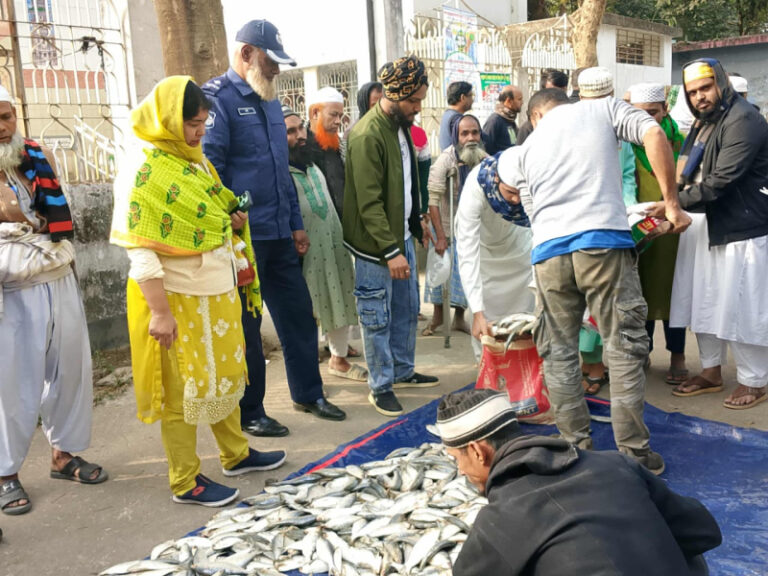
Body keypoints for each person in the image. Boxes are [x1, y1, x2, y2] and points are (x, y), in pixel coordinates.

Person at [498, 75, 692, 474]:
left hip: (549, 252)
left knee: (559, 352)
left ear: (537, 115)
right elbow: (653, 133)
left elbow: (527, 204)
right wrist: (672, 203)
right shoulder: (602, 107)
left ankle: (573, 453)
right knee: (622, 348)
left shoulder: (527, 146)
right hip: (602, 243)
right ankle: (634, 457)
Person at [110, 76, 287, 506]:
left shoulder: (194, 161)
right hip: (177, 301)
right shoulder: (144, 170)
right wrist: (160, 313)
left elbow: (214, 209)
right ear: (168, 120)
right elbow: (142, 250)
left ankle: (235, 454)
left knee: (226, 376)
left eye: (204, 122)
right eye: (192, 124)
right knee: (183, 391)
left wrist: (232, 218)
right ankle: (185, 480)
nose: (200, 132)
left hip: (218, 294)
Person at [202, 19, 346, 438]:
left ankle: (308, 393)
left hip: (280, 234)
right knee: (247, 328)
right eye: (271, 62)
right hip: (243, 240)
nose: (277, 71)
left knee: (299, 315)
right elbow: (210, 169)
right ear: (247, 54)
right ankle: (251, 412)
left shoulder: (268, 101)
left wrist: (296, 224)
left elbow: (280, 171)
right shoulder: (219, 100)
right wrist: (225, 215)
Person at [436, 389, 722, 576]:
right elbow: (703, 532)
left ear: (477, 451)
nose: (460, 471)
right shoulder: (615, 464)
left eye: (456, 459)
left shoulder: (501, 520)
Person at [0, 85, 107, 516]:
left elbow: (56, 223)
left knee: (71, 370)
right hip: (12, 290)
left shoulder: (33, 157)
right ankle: (5, 472)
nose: (2, 127)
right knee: (12, 383)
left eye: (7, 116)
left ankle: (63, 455)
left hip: (58, 275)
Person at [663, 59, 768, 410]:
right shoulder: (703, 123)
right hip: (703, 224)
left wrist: (669, 204)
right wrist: (672, 205)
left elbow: (722, 180)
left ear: (721, 84)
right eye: (692, 92)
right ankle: (710, 372)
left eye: (705, 88)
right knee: (704, 301)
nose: (699, 97)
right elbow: (689, 175)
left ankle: (755, 380)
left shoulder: (744, 119)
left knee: (742, 306)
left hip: (740, 228)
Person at [343, 56, 438, 417]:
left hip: (399, 239)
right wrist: (389, 250)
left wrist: (418, 222)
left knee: (405, 309)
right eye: (413, 101)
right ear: (394, 94)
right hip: (376, 248)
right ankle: (380, 385)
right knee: (376, 316)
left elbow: (406, 182)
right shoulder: (367, 134)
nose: (417, 108)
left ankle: (402, 370)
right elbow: (369, 203)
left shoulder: (398, 125)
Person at [284, 107, 368, 383]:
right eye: (290, 132)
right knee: (308, 311)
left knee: (339, 300)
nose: (300, 136)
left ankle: (339, 359)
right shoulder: (281, 176)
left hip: (334, 249)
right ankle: (312, 373)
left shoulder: (312, 165)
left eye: (300, 129)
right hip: (306, 258)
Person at [629, 83, 688, 385]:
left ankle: (678, 354)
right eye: (640, 114)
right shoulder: (626, 144)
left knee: (674, 290)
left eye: (653, 113)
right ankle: (645, 351)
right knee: (643, 291)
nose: (647, 121)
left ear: (665, 108)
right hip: (642, 229)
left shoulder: (680, 140)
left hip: (676, 229)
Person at [455, 151, 534, 360]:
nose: (516, 200)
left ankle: (524, 373)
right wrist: (477, 312)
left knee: (525, 320)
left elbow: (542, 232)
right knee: (486, 322)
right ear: (497, 179)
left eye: (520, 192)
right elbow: (467, 251)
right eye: (510, 192)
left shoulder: (532, 181)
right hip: (485, 258)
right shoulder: (475, 186)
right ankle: (488, 371)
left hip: (520, 252)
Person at [422, 114, 487, 336]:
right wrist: (440, 236)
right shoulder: (445, 161)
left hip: (471, 228)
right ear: (455, 136)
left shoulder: (483, 159)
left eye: (475, 132)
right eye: (465, 133)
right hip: (447, 226)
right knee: (441, 272)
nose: (470, 138)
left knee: (466, 275)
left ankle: (460, 318)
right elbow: (433, 201)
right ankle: (438, 317)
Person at [306, 87, 345, 218]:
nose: (338, 121)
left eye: (340, 116)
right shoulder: (300, 148)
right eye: (334, 115)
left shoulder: (341, 147)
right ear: (315, 113)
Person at [516, 68, 569, 146]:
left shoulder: (571, 121)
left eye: (561, 92)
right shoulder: (529, 128)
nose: (557, 96)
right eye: (551, 91)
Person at [482, 85, 523, 155]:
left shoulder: (510, 120)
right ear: (509, 101)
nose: (522, 102)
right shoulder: (494, 121)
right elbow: (485, 148)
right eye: (519, 99)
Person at [438, 81, 473, 150]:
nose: (472, 100)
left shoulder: (448, 114)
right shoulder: (456, 119)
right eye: (471, 96)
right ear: (463, 98)